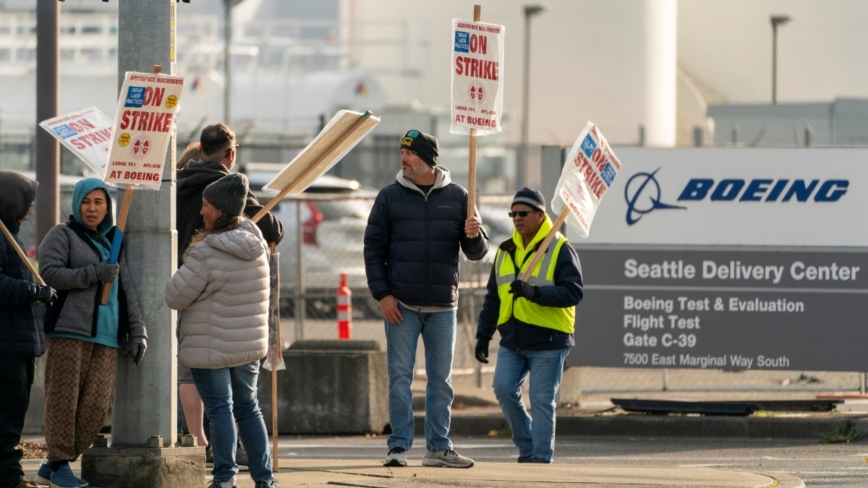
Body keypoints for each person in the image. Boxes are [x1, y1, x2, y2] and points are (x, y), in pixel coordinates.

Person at [364, 129, 489, 468]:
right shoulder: (389, 197)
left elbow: (477, 253)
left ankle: (438, 447)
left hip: (442, 308)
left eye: (410, 154)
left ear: (428, 159)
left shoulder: (460, 196)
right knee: (400, 378)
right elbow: (373, 250)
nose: (403, 159)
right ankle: (398, 448)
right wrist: (383, 295)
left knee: (441, 382)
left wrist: (475, 236)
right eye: (401, 153)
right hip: (401, 307)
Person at [175, 123, 283, 463]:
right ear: (230, 154)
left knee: (189, 371)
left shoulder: (176, 182)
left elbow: (173, 296)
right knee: (238, 403)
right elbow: (272, 228)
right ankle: (253, 471)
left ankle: (198, 441)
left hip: (186, 284)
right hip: (226, 301)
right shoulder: (227, 189)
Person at [165, 173, 276, 488]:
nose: (202, 212)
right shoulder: (255, 244)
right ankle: (264, 479)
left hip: (210, 346)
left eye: (207, 206)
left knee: (219, 410)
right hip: (248, 345)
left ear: (222, 210)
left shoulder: (206, 251)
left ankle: (225, 477)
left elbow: (174, 295)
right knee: (248, 408)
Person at [36, 178, 148, 488]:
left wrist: (138, 331)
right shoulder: (62, 235)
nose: (92, 208)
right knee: (63, 402)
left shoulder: (114, 240)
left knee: (96, 408)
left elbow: (127, 290)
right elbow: (50, 274)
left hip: (107, 337)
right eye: (87, 201)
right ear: (76, 204)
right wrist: (93, 274)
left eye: (99, 202)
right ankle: (59, 465)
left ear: (108, 207)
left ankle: (53, 464)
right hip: (69, 331)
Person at [474, 188, 583, 464]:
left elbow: (574, 292)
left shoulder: (559, 247)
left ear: (540, 215)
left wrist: (535, 293)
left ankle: (541, 457)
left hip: (549, 338)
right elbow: (493, 297)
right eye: (513, 214)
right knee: (503, 388)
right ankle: (527, 446)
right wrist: (483, 335)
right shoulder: (505, 250)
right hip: (513, 339)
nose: (517, 218)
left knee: (542, 400)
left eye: (523, 213)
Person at [0, 172, 56, 488]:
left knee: (12, 414)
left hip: (19, 344)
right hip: (6, 346)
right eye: (28, 201)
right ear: (12, 201)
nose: (31, 208)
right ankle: (10, 478)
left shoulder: (11, 233)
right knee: (7, 417)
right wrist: (35, 292)